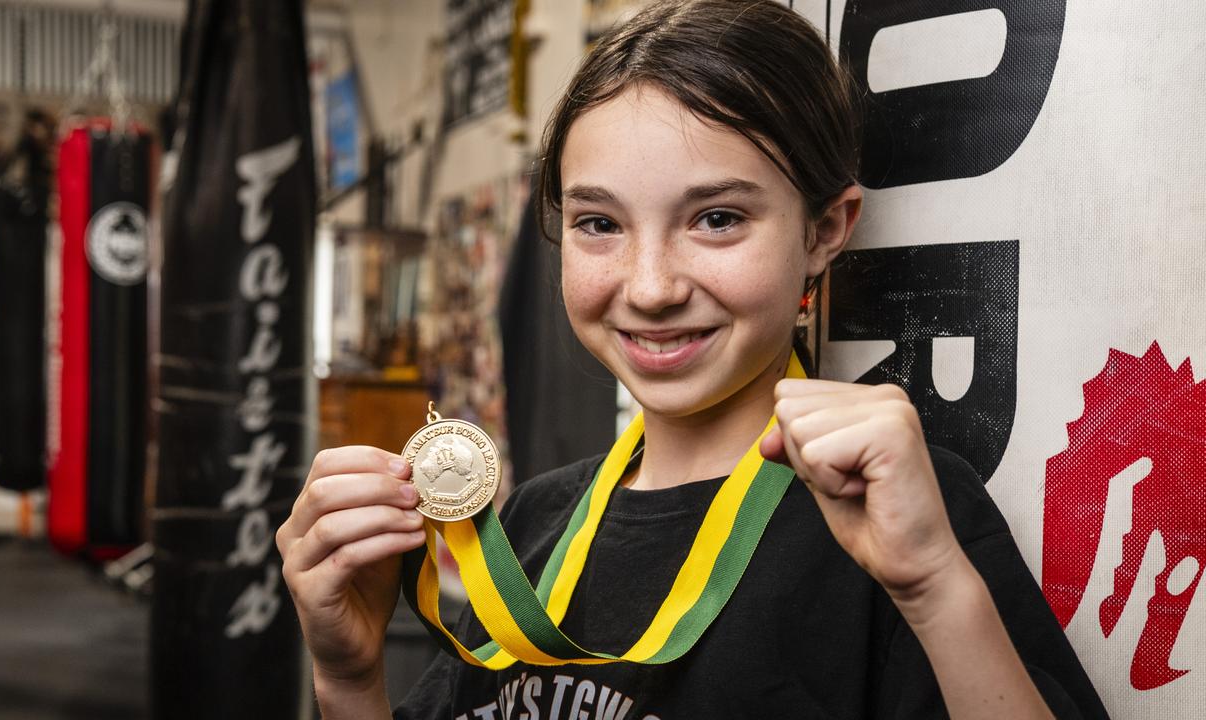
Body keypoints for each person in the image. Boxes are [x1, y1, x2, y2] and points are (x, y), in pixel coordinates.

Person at [276, 2, 1109, 718]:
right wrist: (347, 678)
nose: (650, 287)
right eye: (599, 223)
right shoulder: (528, 524)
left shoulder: (903, 517)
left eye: (715, 218)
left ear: (825, 229)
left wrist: (935, 588)